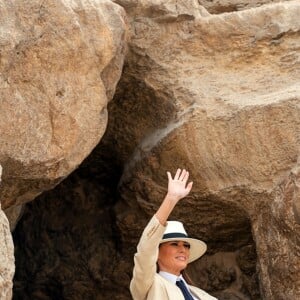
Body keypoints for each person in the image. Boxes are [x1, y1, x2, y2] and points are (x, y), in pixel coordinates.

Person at [130, 168, 217, 300]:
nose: (183, 249)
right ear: (156, 252)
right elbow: (145, 249)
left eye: (186, 245)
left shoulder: (201, 295)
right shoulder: (149, 284)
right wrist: (171, 198)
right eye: (175, 244)